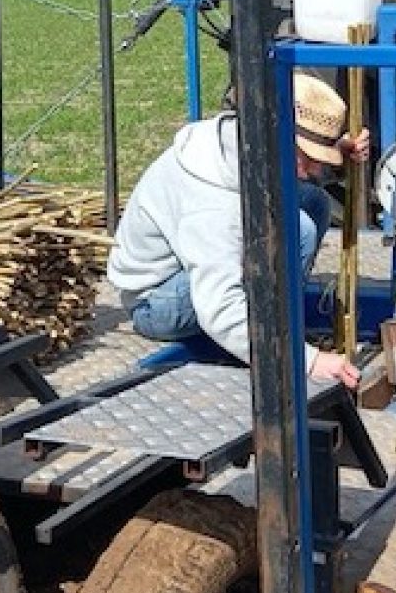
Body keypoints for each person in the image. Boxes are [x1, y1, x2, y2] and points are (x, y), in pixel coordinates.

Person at [108, 75, 369, 387]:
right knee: (297, 230)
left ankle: (275, 323)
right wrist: (304, 360)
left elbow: (296, 169)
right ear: (277, 138)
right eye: (310, 158)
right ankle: (271, 337)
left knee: (312, 201)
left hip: (189, 272)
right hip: (157, 301)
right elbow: (217, 307)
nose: (316, 168)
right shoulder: (213, 205)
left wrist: (336, 153)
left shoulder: (241, 142)